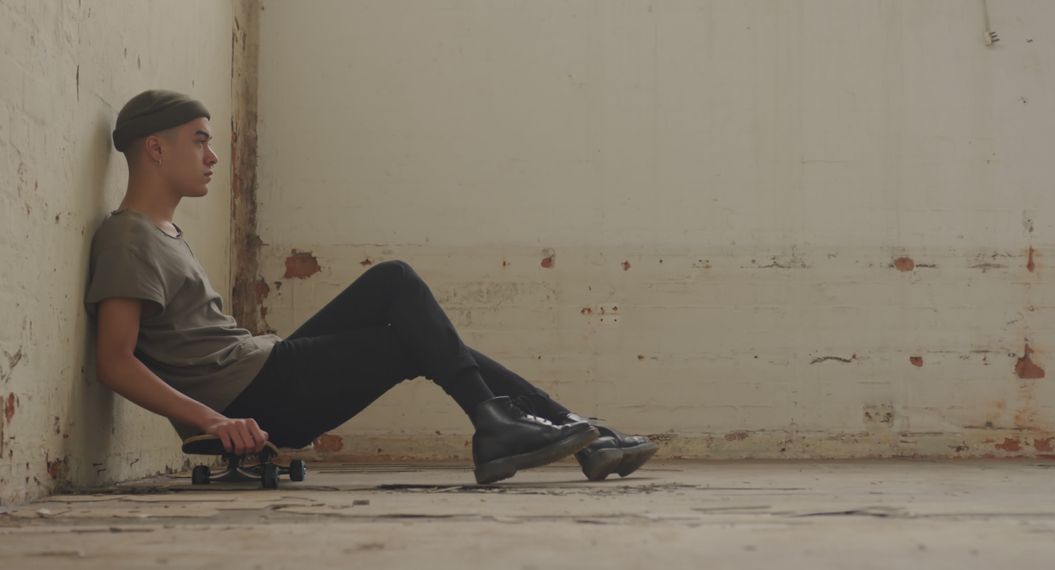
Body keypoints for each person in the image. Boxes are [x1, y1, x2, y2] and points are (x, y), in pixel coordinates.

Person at [87, 90, 657, 484]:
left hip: (261, 369)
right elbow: (115, 362)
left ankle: (571, 430)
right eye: (198, 141)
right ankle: (531, 425)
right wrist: (213, 421)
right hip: (248, 399)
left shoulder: (164, 233)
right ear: (156, 149)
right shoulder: (127, 238)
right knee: (403, 309)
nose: (212, 156)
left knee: (399, 296)